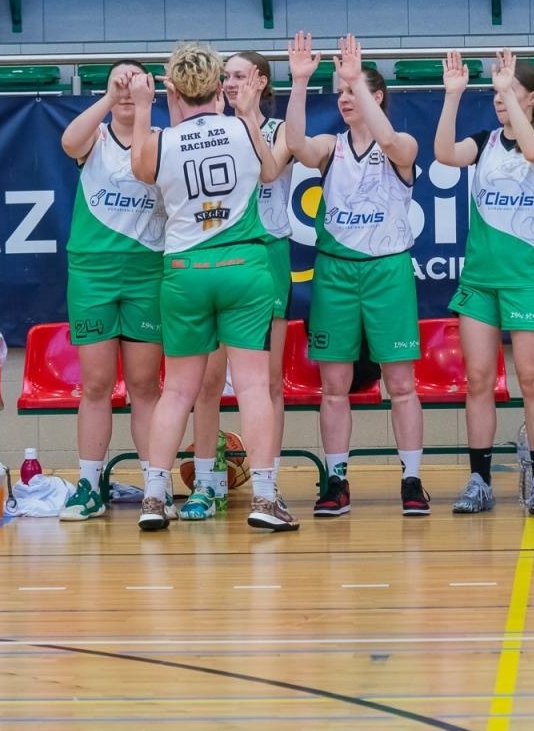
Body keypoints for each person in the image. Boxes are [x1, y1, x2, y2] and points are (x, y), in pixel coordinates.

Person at [130, 42, 297, 532]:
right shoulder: (244, 131)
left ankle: (154, 498)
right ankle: (265, 499)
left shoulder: (163, 141)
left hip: (184, 270)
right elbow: (270, 172)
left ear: (176, 88)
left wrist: (144, 108)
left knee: (176, 390)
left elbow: (141, 170)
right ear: (218, 86)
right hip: (244, 263)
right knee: (252, 387)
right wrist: (245, 114)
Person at [285, 32, 428, 516]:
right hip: (336, 273)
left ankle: (412, 479)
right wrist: (301, 82)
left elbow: (389, 141)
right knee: (334, 385)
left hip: (387, 271)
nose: (344, 98)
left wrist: (359, 81)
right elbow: (295, 144)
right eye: (341, 91)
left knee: (402, 383)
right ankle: (337, 479)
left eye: (352, 89)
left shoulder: (401, 143)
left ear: (376, 95)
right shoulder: (331, 147)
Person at [434, 49, 534, 515]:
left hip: (527, 279)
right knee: (479, 380)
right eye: (495, 93)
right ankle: (480, 479)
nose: (499, 100)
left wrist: (509, 90)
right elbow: (444, 155)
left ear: (531, 97)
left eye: (508, 92)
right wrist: (452, 98)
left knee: (531, 379)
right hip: (480, 280)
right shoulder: (485, 140)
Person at [181, 49, 295, 522]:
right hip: (215, 256)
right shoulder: (207, 133)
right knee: (207, 380)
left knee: (267, 382)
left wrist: (249, 119)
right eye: (224, 76)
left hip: (266, 253)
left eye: (240, 76)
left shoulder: (278, 129)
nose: (230, 83)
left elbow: (269, 170)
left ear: (262, 82)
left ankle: (269, 484)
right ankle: (205, 483)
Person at [56, 60, 166, 522]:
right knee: (97, 384)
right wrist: (110, 96)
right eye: (115, 82)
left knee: (144, 385)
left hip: (147, 269)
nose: (125, 90)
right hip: (93, 270)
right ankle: (88, 485)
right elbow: (68, 142)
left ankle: (155, 487)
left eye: (134, 82)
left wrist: (141, 105)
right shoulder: (95, 138)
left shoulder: (161, 140)